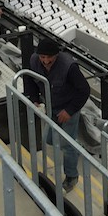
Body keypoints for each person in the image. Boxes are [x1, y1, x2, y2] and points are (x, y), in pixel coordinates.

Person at [25, 38, 91, 191]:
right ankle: (76, 148)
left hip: (68, 108)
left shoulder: (69, 67)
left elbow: (84, 90)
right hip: (51, 107)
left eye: (49, 57)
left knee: (66, 144)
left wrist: (69, 111)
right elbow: (29, 79)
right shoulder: (35, 61)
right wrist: (34, 99)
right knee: (48, 139)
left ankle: (71, 177)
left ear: (56, 55)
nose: (46, 61)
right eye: (42, 57)